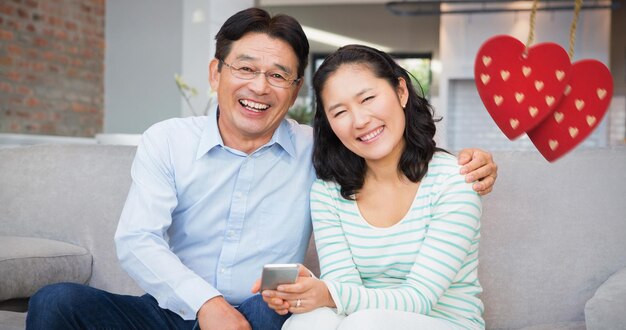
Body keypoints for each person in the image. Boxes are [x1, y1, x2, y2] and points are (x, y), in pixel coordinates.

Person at [26, 8, 495, 330]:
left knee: (288, 314)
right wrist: (206, 305)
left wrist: (471, 163)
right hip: (172, 310)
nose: (260, 87)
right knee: (56, 301)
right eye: (245, 69)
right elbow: (137, 240)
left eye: (278, 76)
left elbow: (385, 144)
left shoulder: (322, 151)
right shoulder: (167, 140)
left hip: (261, 314)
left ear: (293, 94)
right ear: (215, 73)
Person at [257, 44, 485, 329]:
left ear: (401, 92)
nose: (360, 121)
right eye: (340, 112)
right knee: (308, 321)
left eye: (368, 98)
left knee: (364, 322)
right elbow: (343, 288)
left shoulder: (454, 180)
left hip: (444, 322)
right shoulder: (328, 192)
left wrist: (327, 294)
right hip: (361, 320)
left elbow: (419, 298)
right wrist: (309, 295)